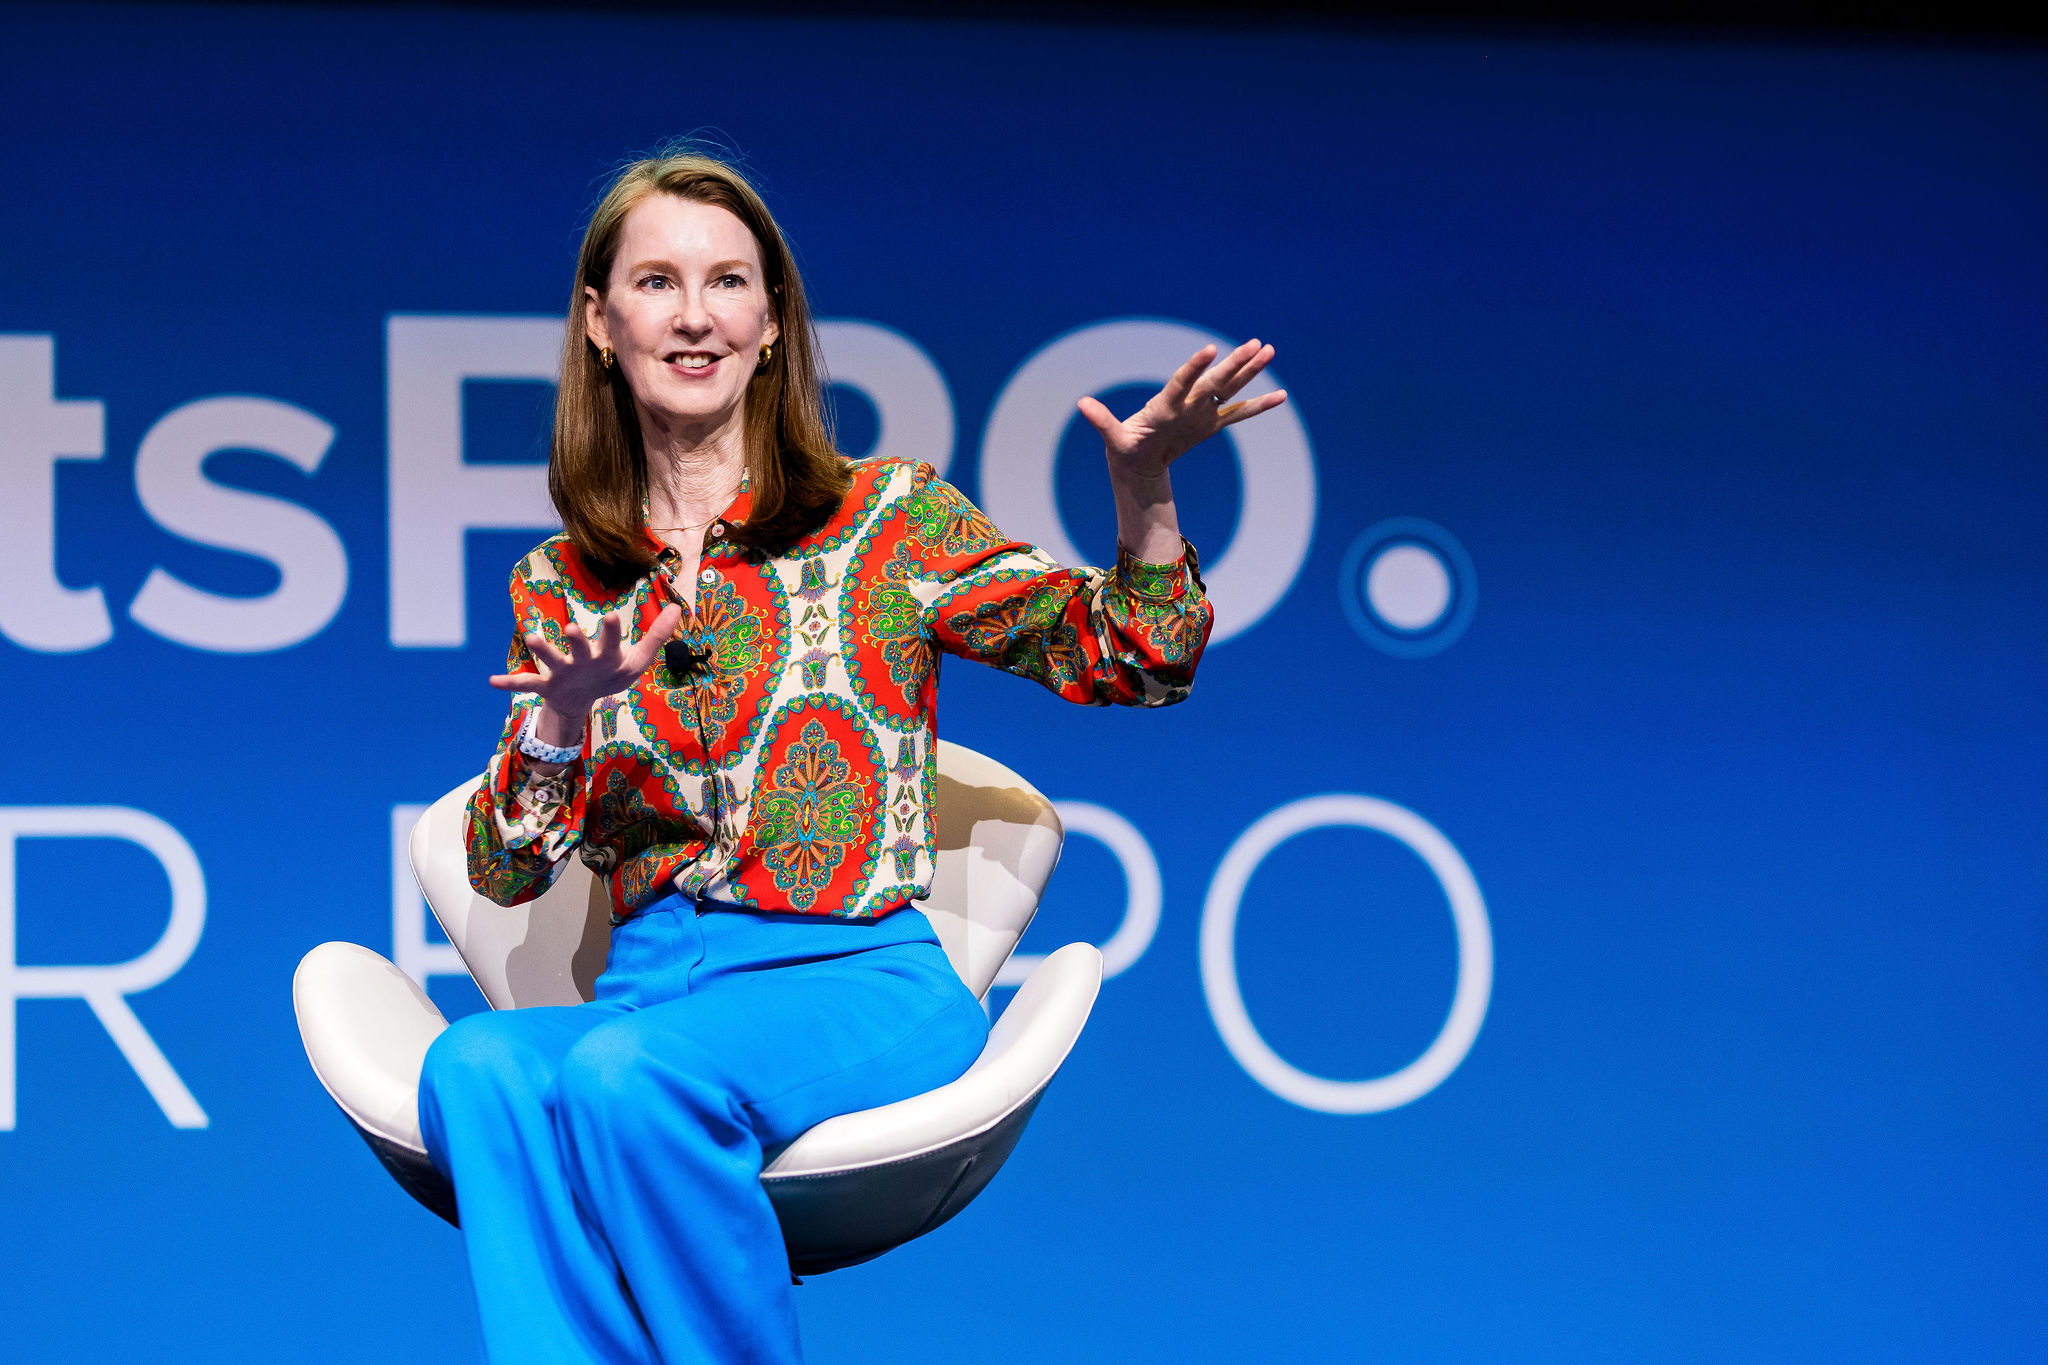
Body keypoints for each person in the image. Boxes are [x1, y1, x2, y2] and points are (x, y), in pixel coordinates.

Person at [415, 146, 1287, 1365]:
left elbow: (1132, 656)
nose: (694, 315)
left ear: (771, 323)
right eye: (656, 282)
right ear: (599, 323)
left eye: (727, 283)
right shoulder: (560, 581)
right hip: (652, 991)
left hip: (859, 977)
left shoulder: (883, 519)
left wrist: (1142, 501)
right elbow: (505, 873)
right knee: (474, 1068)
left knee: (625, 1078)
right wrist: (557, 726)